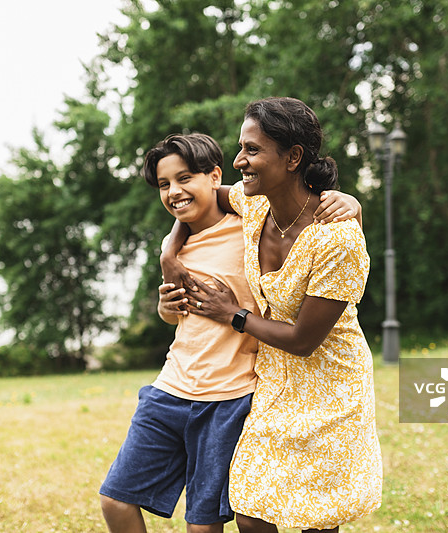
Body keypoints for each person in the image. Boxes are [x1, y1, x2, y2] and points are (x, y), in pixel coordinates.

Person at [98, 132, 361, 533]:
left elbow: (302, 224)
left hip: (231, 395)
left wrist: (353, 205)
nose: (174, 192)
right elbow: (181, 317)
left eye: (184, 178)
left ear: (215, 176)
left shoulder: (252, 225)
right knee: (114, 501)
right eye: (164, 185)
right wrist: (166, 288)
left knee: (205, 525)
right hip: (170, 387)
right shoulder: (178, 248)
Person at [161, 97, 382, 533]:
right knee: (253, 512)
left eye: (252, 150)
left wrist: (233, 314)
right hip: (274, 384)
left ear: (293, 157)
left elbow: (303, 340)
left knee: (317, 518)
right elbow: (196, 199)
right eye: (241, 148)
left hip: (331, 387)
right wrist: (168, 251)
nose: (239, 159)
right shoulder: (254, 204)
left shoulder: (337, 240)